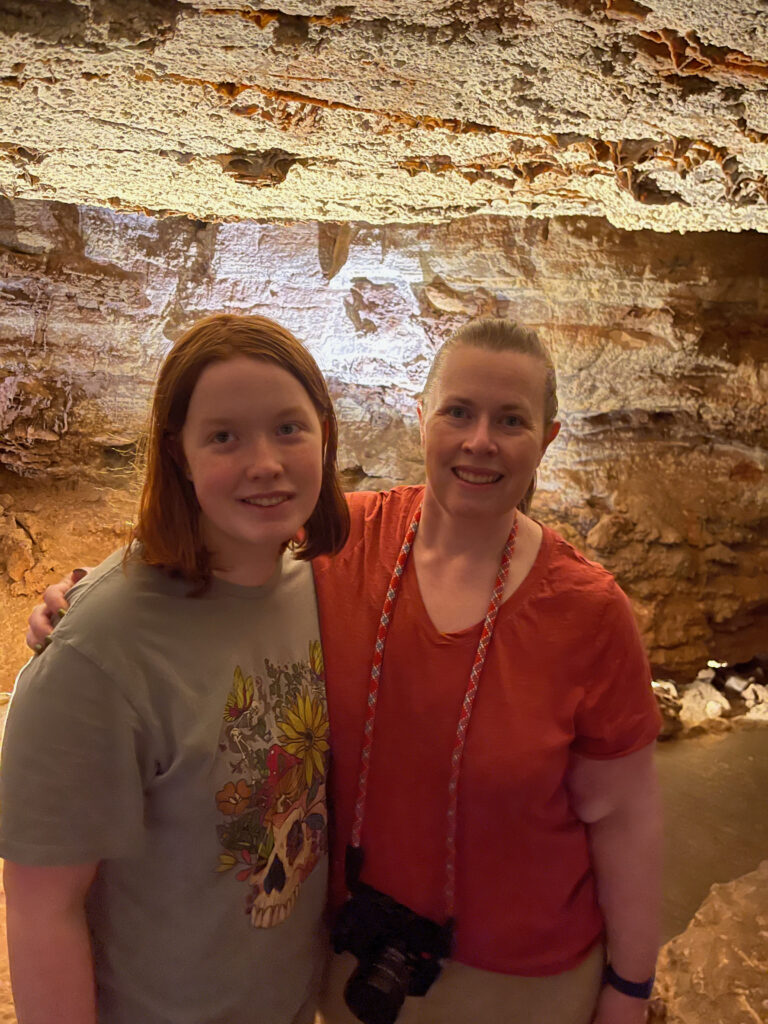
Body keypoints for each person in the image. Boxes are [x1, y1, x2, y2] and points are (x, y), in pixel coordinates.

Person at [24, 317, 663, 1024]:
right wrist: (83, 601)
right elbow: (210, 551)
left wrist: (630, 988)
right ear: (421, 419)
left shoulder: (586, 611)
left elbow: (628, 819)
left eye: (511, 420)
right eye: (458, 412)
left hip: (517, 983)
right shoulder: (343, 550)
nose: (480, 441)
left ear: (547, 439)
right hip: (350, 966)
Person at [1, 313, 350, 1024]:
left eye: (288, 428)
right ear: (179, 454)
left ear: (325, 432)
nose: (265, 462)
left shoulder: (322, 585)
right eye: (224, 436)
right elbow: (42, 907)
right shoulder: (99, 649)